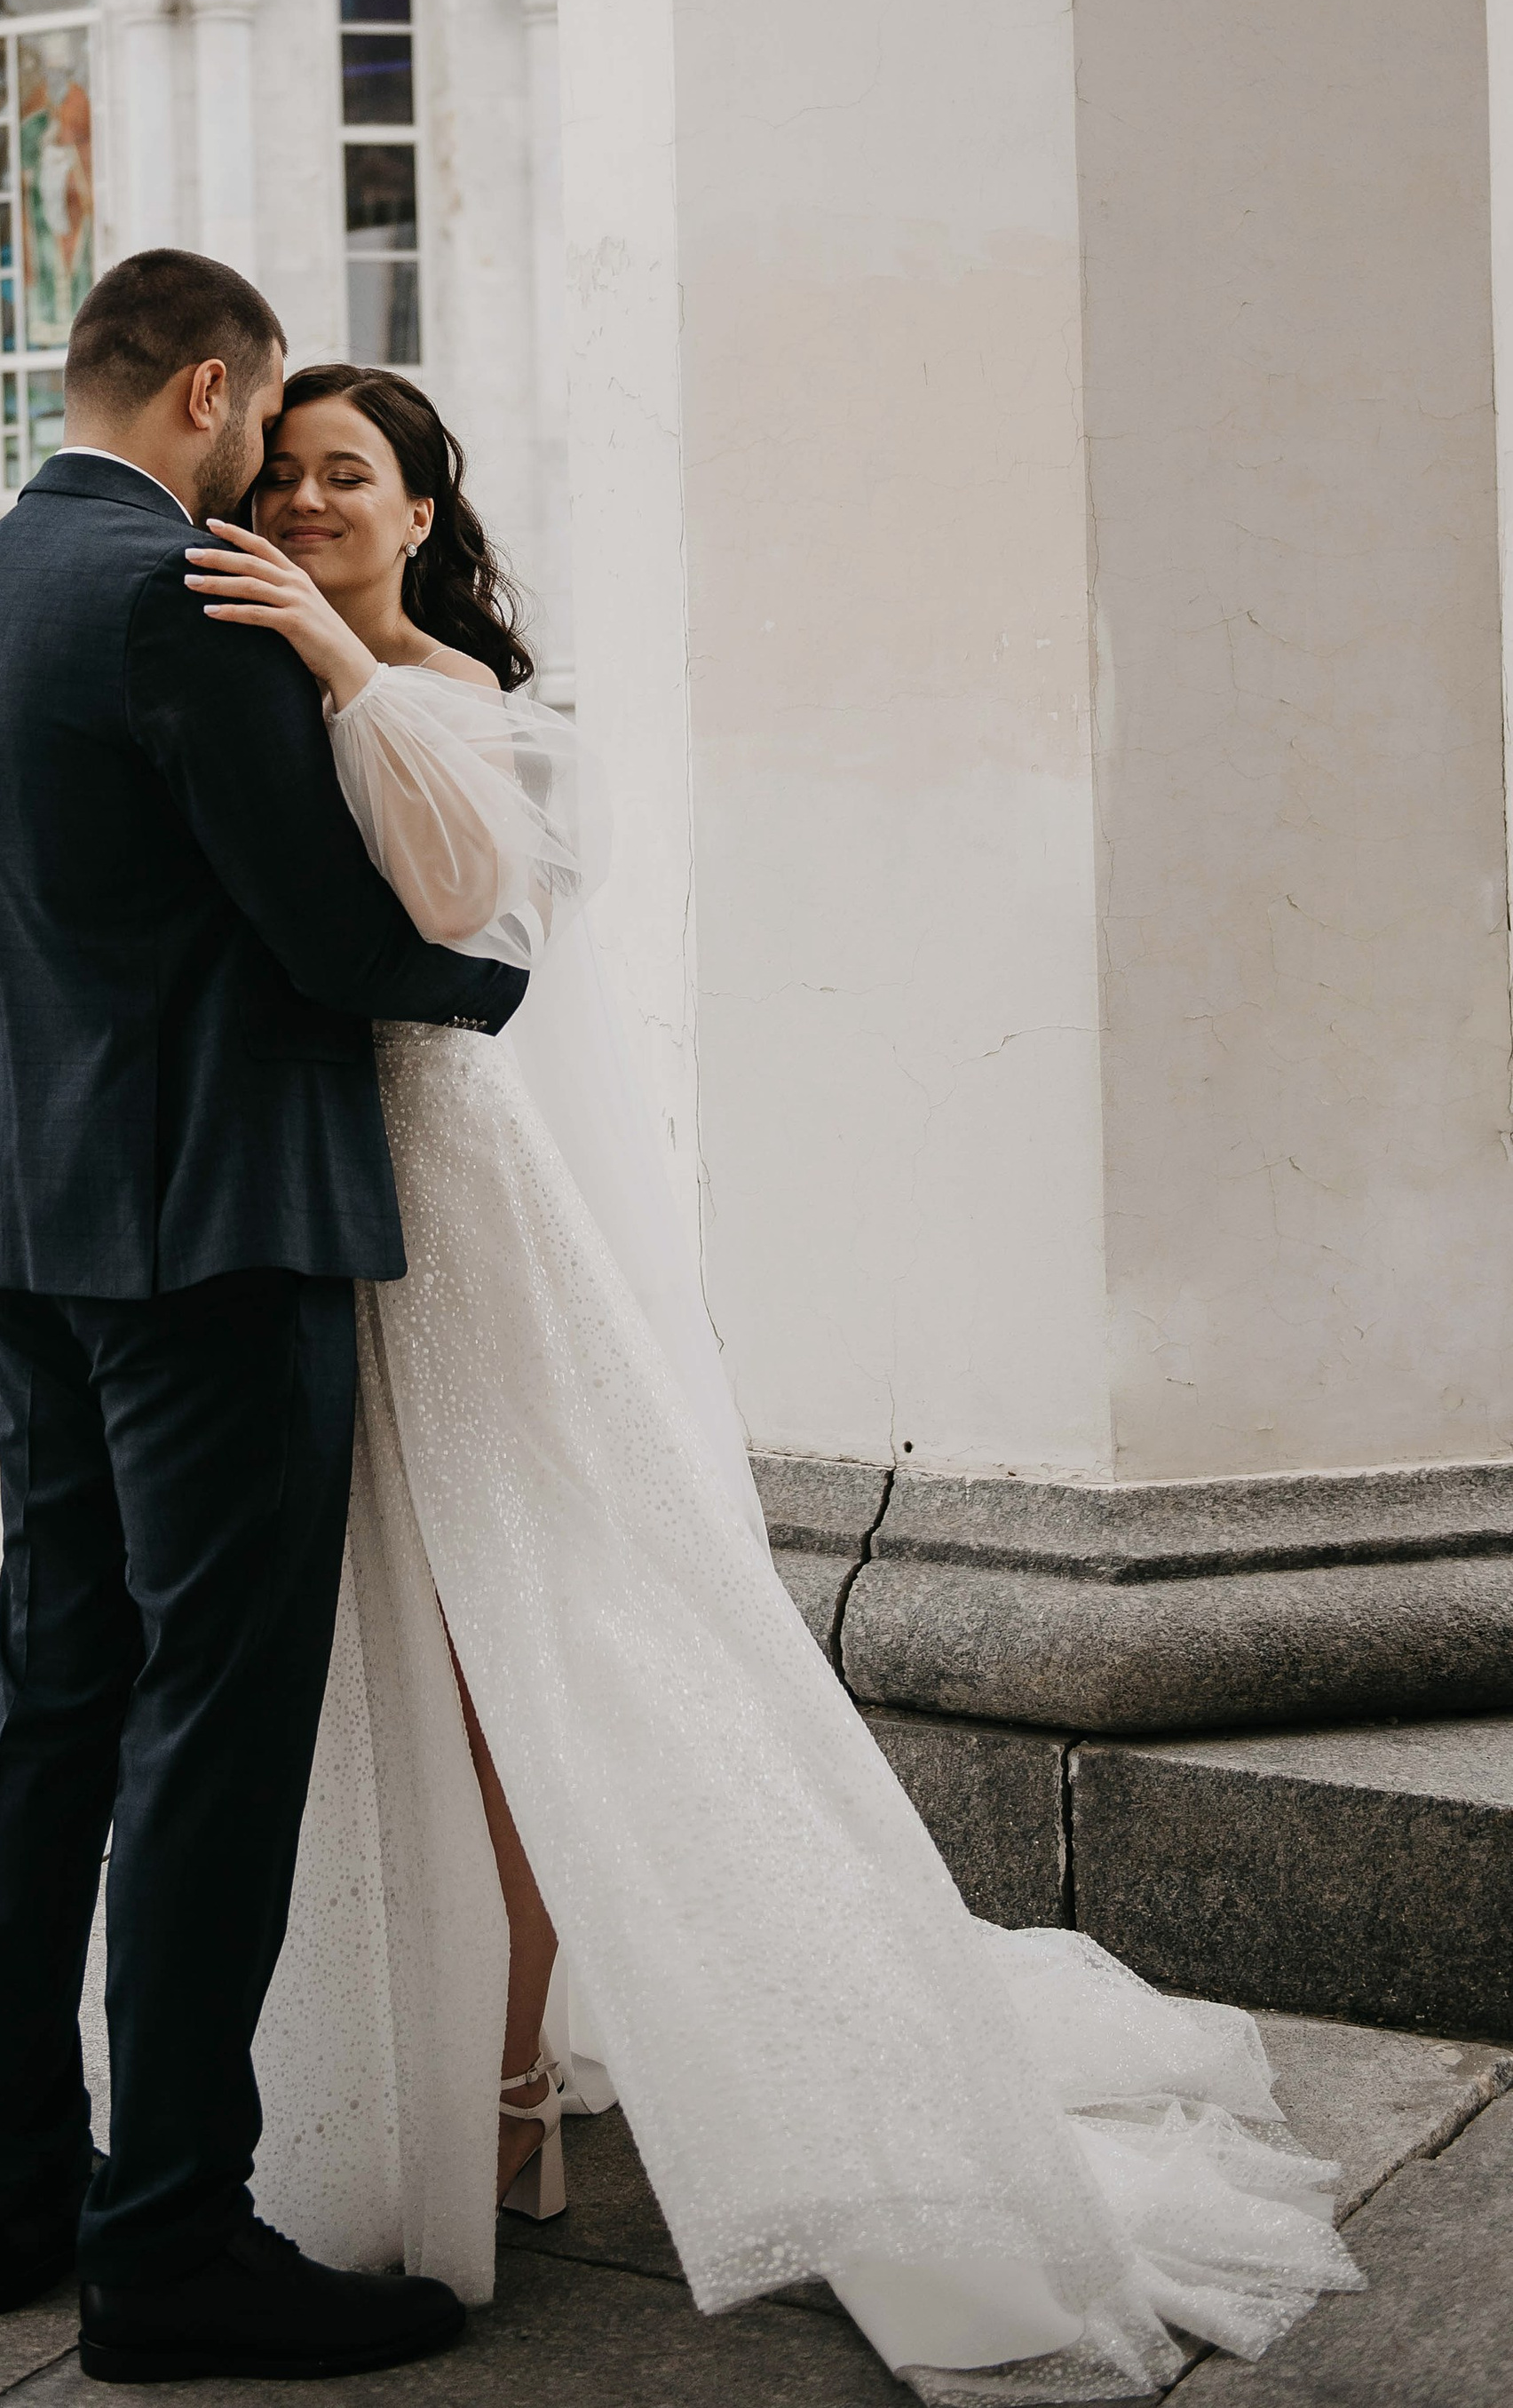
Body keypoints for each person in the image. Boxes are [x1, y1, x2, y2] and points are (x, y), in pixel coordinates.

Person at [178, 361, 1365, 2401]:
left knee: (526, 1659)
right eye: (277, 475)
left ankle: (509, 2087)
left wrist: (339, 667)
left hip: (454, 1209)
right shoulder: (258, 694)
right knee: (375, 1665)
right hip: (302, 1210)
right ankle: (388, 2069)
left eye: (344, 476)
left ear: (421, 512)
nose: (301, 504)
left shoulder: (470, 702)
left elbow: (465, 915)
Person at [0, 252, 528, 2387]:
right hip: (217, 1231)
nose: (264, 469)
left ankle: (8, 2189)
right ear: (200, 391)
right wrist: (501, 981)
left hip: (35, 1219)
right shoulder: (170, 596)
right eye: (258, 425)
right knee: (212, 1724)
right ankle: (168, 2237)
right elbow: (329, 933)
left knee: (52, 1694)